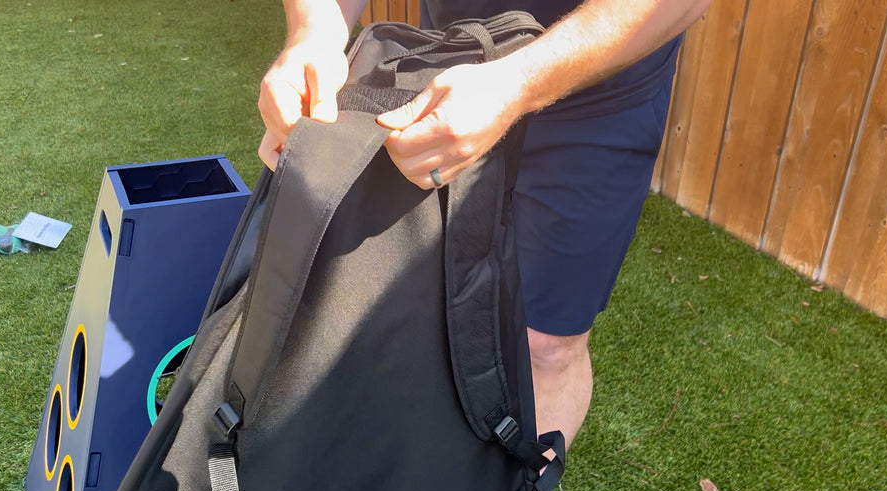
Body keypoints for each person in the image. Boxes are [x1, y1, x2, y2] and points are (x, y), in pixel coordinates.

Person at [258, 0, 710, 451]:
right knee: (433, 308)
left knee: (545, 344)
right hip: (452, 61)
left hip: (599, 82)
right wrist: (313, 33)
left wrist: (516, 84)